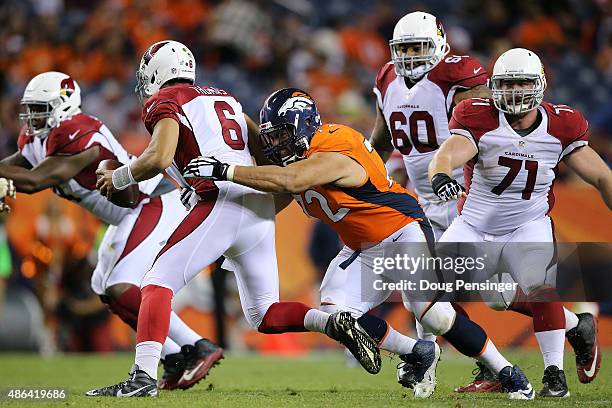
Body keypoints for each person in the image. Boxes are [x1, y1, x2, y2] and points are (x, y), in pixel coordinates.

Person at [183, 87, 536, 400]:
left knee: (436, 315)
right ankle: (417, 352)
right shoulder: (301, 159)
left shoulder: (336, 147)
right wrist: (229, 213)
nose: (275, 146)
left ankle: (507, 373)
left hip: (401, 232)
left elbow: (292, 181)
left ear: (305, 125)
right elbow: (283, 192)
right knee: (338, 316)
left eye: (282, 136)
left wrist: (225, 171)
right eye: (271, 138)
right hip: (362, 248)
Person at [89, 40, 381, 398]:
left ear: (156, 73)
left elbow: (159, 154)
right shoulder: (224, 97)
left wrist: (119, 177)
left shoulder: (166, 100)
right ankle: (330, 321)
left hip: (221, 198)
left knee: (155, 284)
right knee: (264, 314)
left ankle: (143, 377)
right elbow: (266, 154)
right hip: (253, 203)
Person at [0, 71, 221, 391]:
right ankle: (175, 355)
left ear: (63, 106)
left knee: (120, 284)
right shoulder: (37, 137)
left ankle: (197, 346)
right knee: (102, 283)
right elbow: (14, 166)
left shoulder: (80, 133)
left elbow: (36, 180)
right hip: (129, 212)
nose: (33, 117)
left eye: (41, 109)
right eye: (31, 109)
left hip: (152, 199)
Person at [429, 48, 610, 397]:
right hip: (475, 224)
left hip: (528, 223)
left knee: (540, 289)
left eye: (522, 83)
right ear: (494, 86)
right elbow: (449, 153)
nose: (514, 92)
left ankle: (553, 376)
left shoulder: (562, 124)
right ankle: (576, 328)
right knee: (439, 293)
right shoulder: (476, 116)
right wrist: (439, 174)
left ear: (540, 85)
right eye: (506, 84)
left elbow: (602, 176)